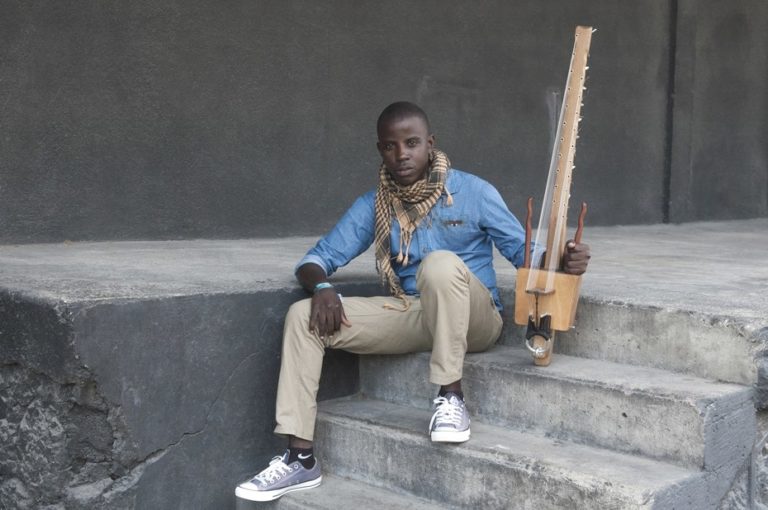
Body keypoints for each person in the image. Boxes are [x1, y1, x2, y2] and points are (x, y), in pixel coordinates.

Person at [235, 101, 591, 502]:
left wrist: (564, 261)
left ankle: (450, 397)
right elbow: (314, 260)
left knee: (439, 265)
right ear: (380, 150)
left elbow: (525, 253)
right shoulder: (376, 204)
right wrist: (321, 288)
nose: (401, 154)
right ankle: (300, 458)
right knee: (303, 316)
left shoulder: (473, 192)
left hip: (475, 319)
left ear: (430, 144)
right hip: (415, 312)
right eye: (390, 146)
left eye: (412, 143)